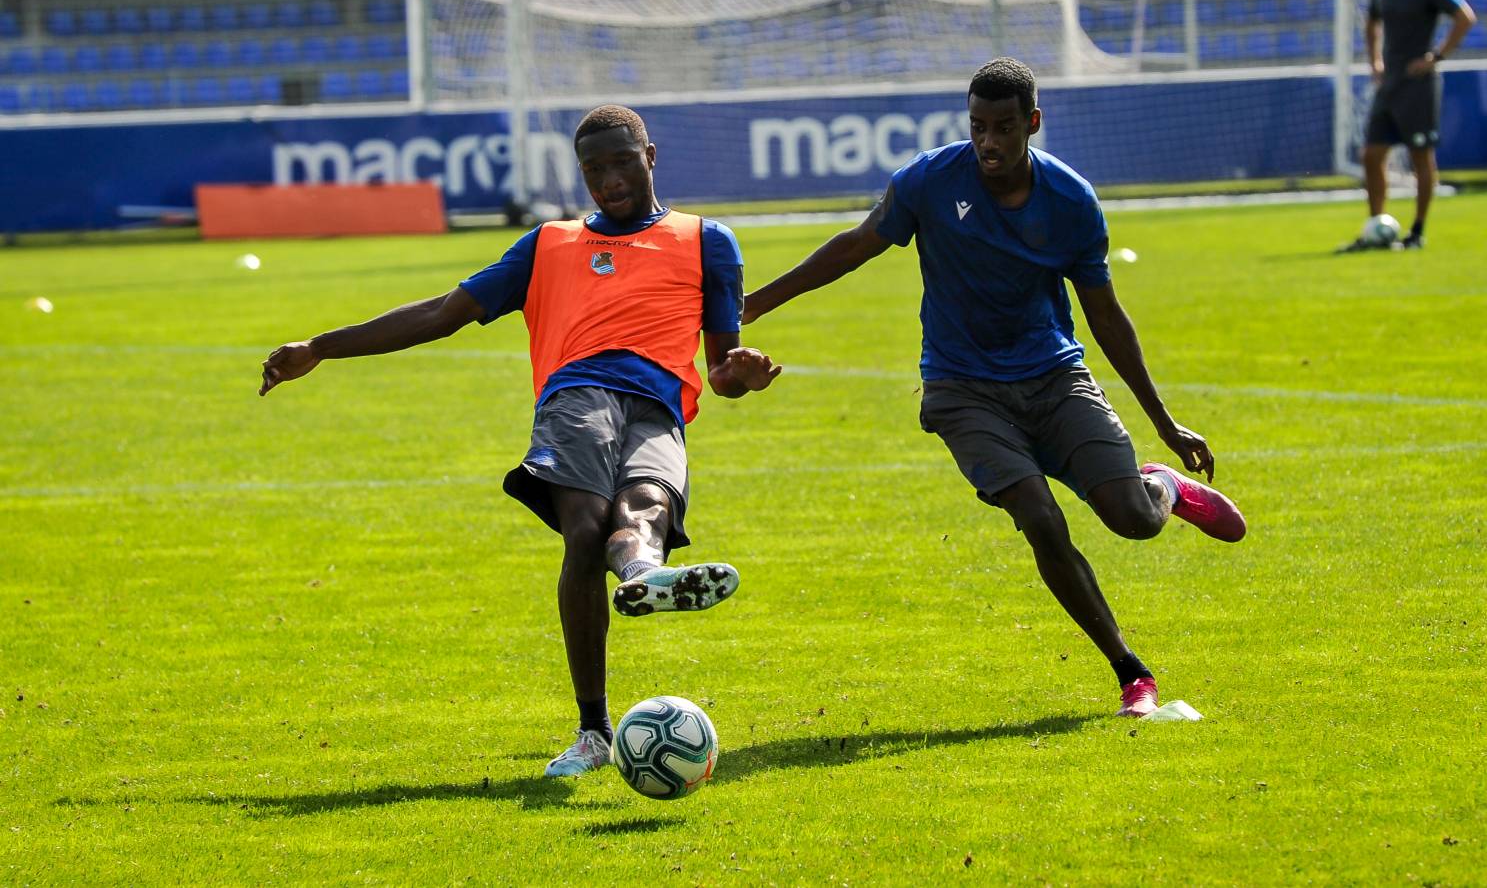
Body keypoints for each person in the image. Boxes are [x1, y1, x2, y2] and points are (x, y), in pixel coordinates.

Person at [259, 104, 781, 776]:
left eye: (621, 162)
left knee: (648, 500)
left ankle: (646, 578)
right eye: (593, 169)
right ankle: (594, 729)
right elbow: (444, 313)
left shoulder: (708, 241)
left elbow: (721, 367)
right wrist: (323, 348)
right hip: (576, 396)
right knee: (587, 529)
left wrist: (742, 374)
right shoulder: (547, 245)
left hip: (659, 406)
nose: (609, 180)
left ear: (649, 156)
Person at [743, 58, 1246, 718]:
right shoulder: (929, 180)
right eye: (977, 126)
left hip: (1055, 378)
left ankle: (1165, 488)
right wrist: (753, 304)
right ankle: (1131, 672)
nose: (988, 142)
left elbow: (1104, 316)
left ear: (1031, 123)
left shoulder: (1069, 202)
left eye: (1003, 127)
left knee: (1133, 521)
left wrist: (1164, 422)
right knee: (1038, 517)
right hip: (961, 390)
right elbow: (856, 245)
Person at [1341, 0, 1476, 251]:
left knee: (1420, 156)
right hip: (1389, 84)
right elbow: (1372, 23)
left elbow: (1465, 17)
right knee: (1371, 155)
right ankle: (1375, 228)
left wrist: (1435, 57)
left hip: (1418, 86)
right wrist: (1375, 62)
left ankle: (1417, 232)